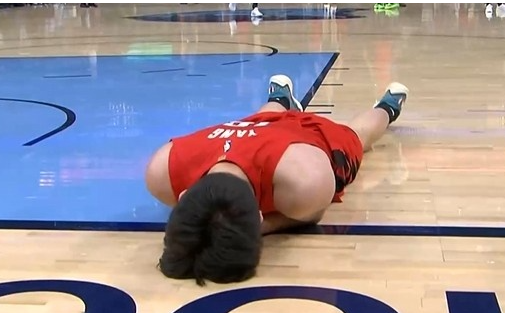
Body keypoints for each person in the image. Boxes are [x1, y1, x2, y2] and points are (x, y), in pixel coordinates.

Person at [145, 75, 408, 285]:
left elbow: (313, 215)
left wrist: (260, 227)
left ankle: (386, 108)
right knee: (263, 117)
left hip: (311, 142)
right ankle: (280, 99)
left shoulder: (307, 181)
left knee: (357, 135)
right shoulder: (162, 170)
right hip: (255, 130)